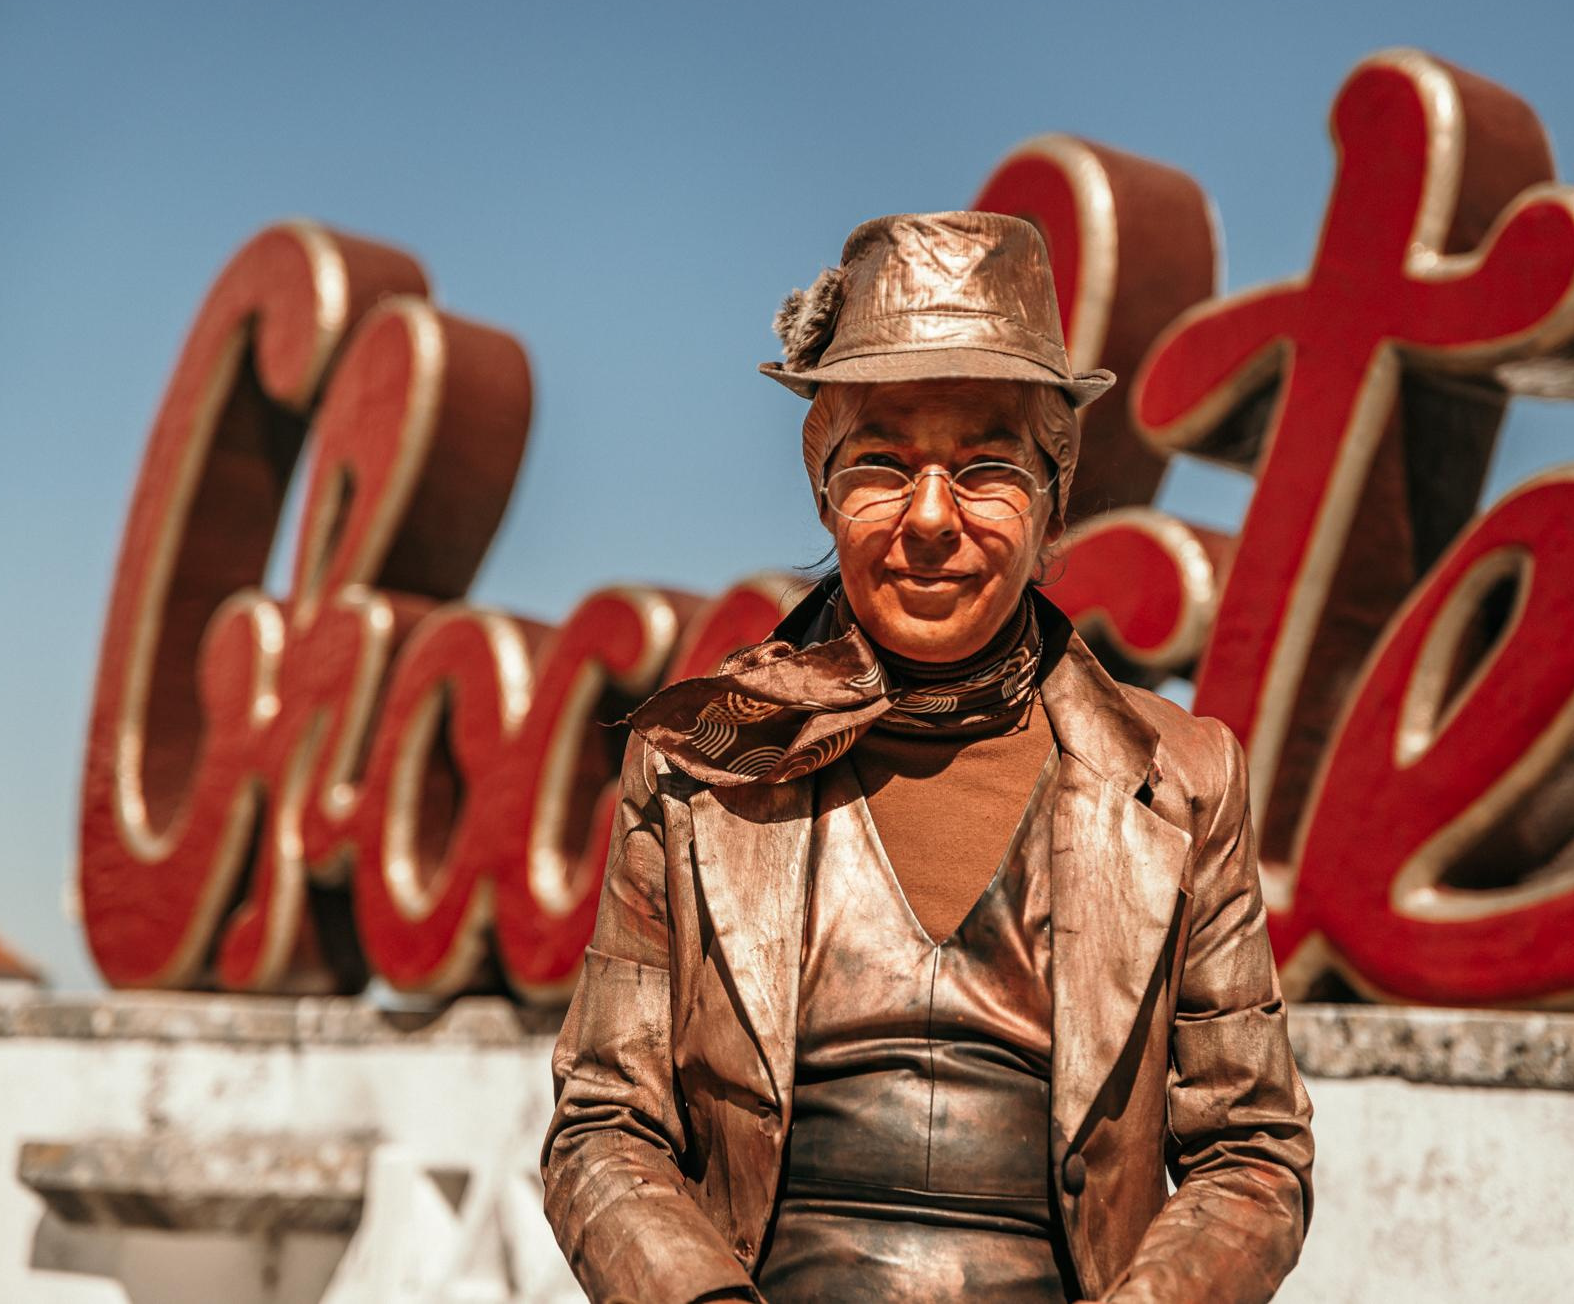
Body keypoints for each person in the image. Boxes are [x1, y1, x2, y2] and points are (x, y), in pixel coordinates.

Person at [541, 210, 1313, 1303]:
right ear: (824, 490)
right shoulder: (701, 764)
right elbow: (602, 1125)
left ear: (1051, 498)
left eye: (986, 466)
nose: (931, 518)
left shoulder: (1182, 782)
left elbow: (1252, 1155)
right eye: (881, 467)